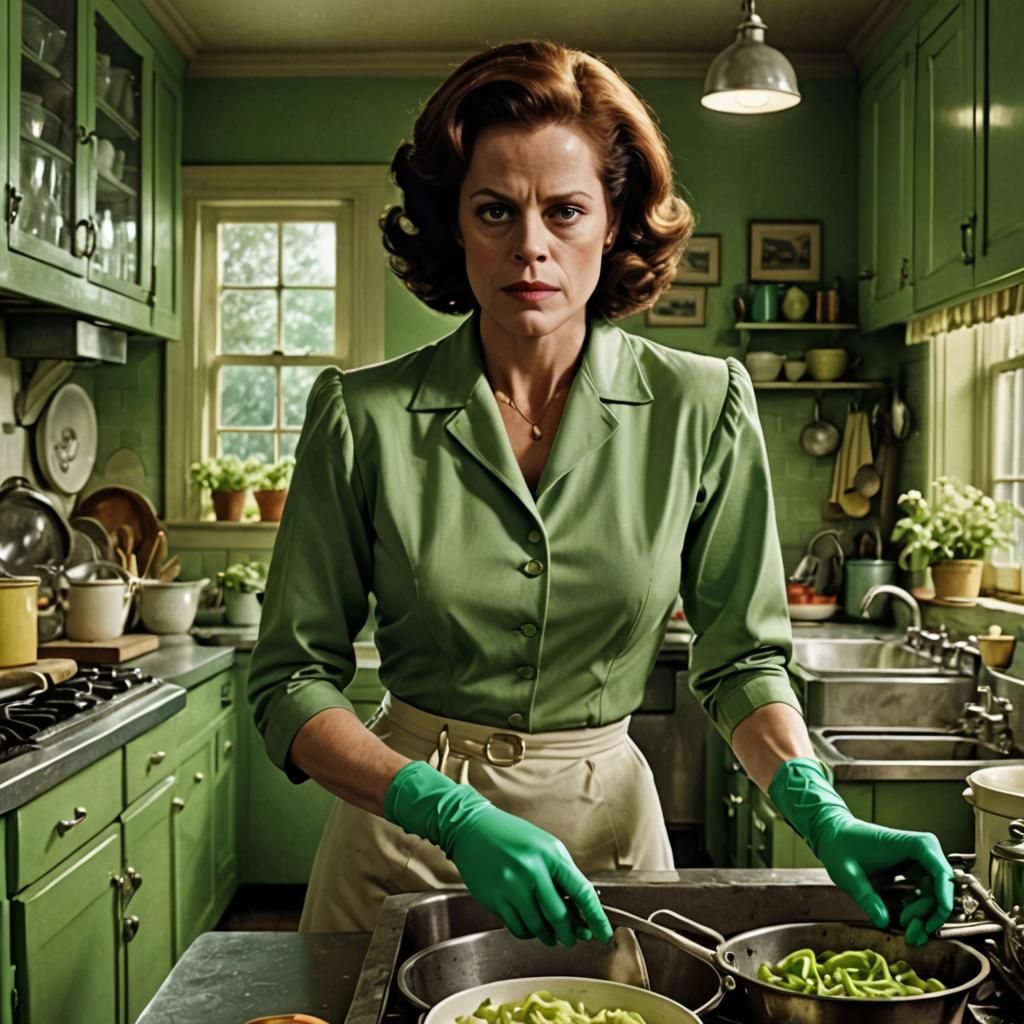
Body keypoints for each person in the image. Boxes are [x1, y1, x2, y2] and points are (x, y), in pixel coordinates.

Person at [247, 39, 953, 948]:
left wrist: (825, 817)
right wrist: (443, 808)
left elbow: (741, 663)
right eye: (495, 210)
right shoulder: (362, 414)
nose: (530, 246)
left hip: (608, 854)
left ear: (614, 222)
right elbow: (289, 681)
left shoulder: (704, 405)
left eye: (566, 210)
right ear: (453, 224)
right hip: (396, 845)